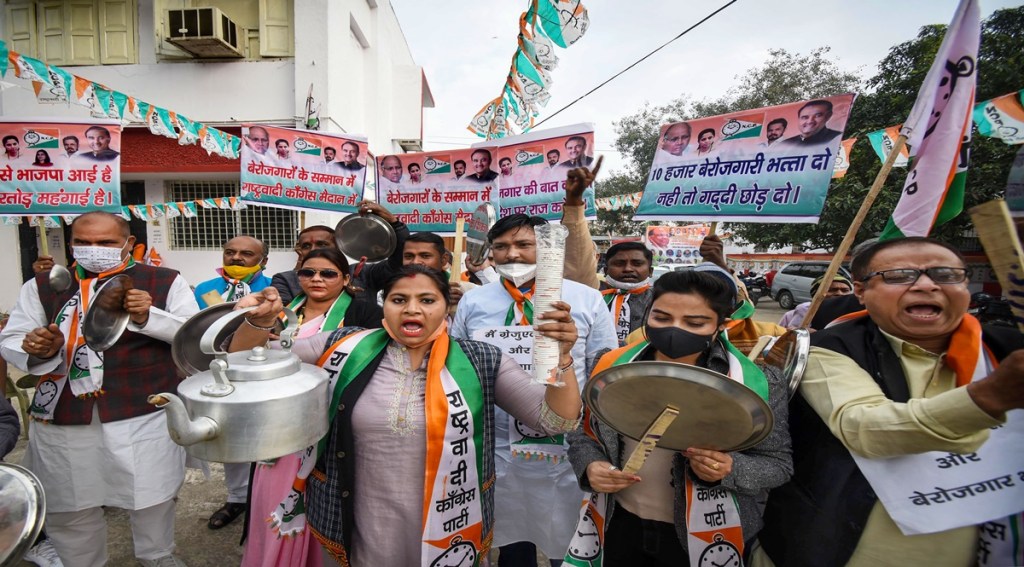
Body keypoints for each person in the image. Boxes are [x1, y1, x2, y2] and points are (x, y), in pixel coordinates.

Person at [232, 265, 584, 565]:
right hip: (359, 519)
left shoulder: (482, 359)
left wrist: (563, 358)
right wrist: (259, 323)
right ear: (383, 305)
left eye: (427, 300)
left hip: (452, 522)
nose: (412, 309)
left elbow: (554, 420)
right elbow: (249, 363)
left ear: (447, 307)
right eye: (399, 300)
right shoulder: (341, 346)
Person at [760, 237, 1024, 566]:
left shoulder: (1008, 349)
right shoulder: (829, 348)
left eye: (945, 275)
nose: (926, 285)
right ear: (861, 291)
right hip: (844, 551)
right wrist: (987, 399)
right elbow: (864, 426)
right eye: (899, 276)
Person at [0, 211, 200, 567]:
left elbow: (191, 335)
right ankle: (81, 561)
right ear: (71, 244)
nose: (94, 249)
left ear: (129, 243)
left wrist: (148, 317)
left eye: (106, 242)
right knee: (69, 500)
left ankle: (157, 554)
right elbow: (13, 337)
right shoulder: (43, 285)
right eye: (83, 242)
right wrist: (36, 348)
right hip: (63, 412)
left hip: (142, 408)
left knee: (151, 492)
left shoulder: (163, 280)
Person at [567, 270, 792, 566]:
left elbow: (778, 465)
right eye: (661, 318)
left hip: (705, 536)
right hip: (618, 523)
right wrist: (590, 465)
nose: (674, 330)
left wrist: (728, 469)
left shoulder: (755, 383)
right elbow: (583, 432)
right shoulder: (613, 367)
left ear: (720, 326)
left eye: (694, 323)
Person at [451, 214, 617, 566]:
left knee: (567, 539)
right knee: (511, 542)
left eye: (524, 244)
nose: (512, 253)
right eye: (501, 246)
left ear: (547, 249)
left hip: (568, 446)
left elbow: (604, 369)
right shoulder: (474, 302)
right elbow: (458, 364)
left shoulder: (586, 299)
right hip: (497, 444)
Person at [241, 248, 382, 567]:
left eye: (328, 273)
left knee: (324, 500)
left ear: (345, 279)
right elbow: (243, 355)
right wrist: (258, 326)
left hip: (331, 425)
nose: (316, 279)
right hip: (278, 425)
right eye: (308, 272)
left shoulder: (363, 313)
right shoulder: (280, 312)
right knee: (274, 496)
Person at [192, 236, 272, 529]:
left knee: (269, 435)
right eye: (230, 252)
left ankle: (270, 498)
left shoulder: (274, 288)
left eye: (246, 254)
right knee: (232, 434)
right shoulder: (204, 289)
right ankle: (237, 498)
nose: (236, 258)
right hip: (219, 372)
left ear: (263, 261)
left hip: (263, 371)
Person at [561, 156, 653, 345]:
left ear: (650, 271)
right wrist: (574, 203)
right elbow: (577, 255)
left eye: (637, 263)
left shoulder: (663, 299)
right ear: (605, 269)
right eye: (619, 263)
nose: (628, 269)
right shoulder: (591, 293)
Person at [272, 225, 337, 306]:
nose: (313, 250)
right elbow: (280, 309)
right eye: (306, 246)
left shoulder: (351, 274)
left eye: (321, 245)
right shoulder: (285, 279)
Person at [777, 273, 853, 329]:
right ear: (815, 294)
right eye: (832, 290)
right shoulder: (799, 312)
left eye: (845, 290)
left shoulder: (854, 313)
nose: (839, 293)